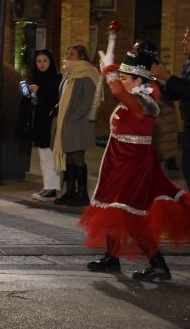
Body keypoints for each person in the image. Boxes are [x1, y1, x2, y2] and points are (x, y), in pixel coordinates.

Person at [80, 50, 190, 281]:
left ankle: (158, 264)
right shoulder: (133, 100)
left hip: (134, 165)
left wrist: (109, 70)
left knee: (131, 213)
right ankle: (112, 257)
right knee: (113, 209)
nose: (121, 81)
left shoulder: (145, 101)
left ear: (139, 81)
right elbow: (120, 95)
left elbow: (119, 93)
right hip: (118, 162)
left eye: (125, 77)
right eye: (121, 76)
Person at [52, 44, 99, 207]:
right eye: (67, 53)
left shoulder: (86, 73)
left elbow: (89, 99)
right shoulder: (68, 74)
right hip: (67, 121)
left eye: (72, 54)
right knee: (69, 156)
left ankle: (82, 193)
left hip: (78, 123)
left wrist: (74, 116)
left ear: (81, 57)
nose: (68, 55)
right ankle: (70, 191)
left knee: (78, 156)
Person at [152, 27, 190, 189]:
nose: (183, 42)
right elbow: (178, 93)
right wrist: (162, 81)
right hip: (188, 126)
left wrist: (167, 76)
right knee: (187, 171)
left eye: (187, 39)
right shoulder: (188, 63)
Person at [133, 41, 179, 172]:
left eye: (135, 50)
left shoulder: (151, 69)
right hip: (159, 119)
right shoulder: (150, 67)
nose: (132, 53)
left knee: (154, 166)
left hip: (158, 120)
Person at [26, 49, 63, 201]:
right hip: (39, 121)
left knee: (49, 154)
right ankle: (47, 186)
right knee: (42, 154)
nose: (42, 64)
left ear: (51, 62)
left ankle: (52, 188)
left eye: (45, 61)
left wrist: (38, 91)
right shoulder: (34, 77)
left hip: (51, 121)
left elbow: (54, 96)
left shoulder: (56, 78)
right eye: (39, 61)